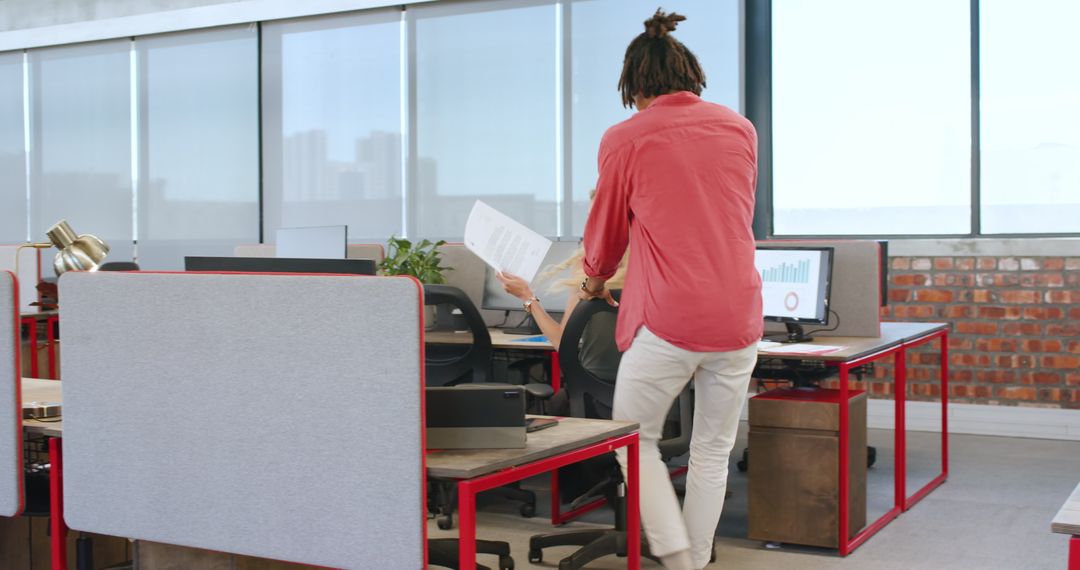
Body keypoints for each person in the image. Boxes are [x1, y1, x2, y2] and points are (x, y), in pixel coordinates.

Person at [578, 9, 762, 570]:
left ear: (634, 85)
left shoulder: (626, 137)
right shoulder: (740, 127)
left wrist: (593, 281)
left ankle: (677, 557)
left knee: (632, 442)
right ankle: (698, 559)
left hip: (669, 320)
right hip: (739, 319)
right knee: (712, 451)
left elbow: (606, 235)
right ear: (691, 74)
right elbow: (719, 215)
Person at [496, 246, 628, 380]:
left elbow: (562, 342)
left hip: (594, 389)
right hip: (641, 387)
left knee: (555, 400)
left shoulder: (587, 271)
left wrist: (526, 295)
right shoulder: (647, 272)